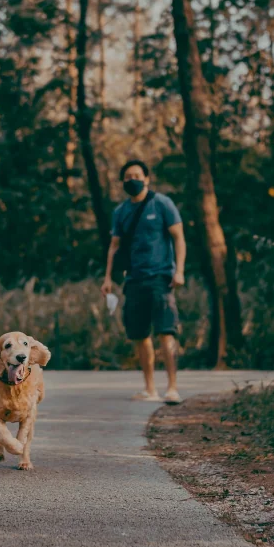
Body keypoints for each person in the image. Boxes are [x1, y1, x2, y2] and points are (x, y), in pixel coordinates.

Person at [101, 159, 186, 404]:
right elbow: (114, 246)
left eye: (137, 175)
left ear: (147, 178)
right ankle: (150, 389)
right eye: (127, 177)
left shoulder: (162, 204)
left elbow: (179, 238)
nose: (132, 180)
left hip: (161, 278)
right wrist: (108, 278)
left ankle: (172, 388)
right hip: (134, 279)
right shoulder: (121, 212)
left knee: (166, 332)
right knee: (139, 335)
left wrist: (179, 270)